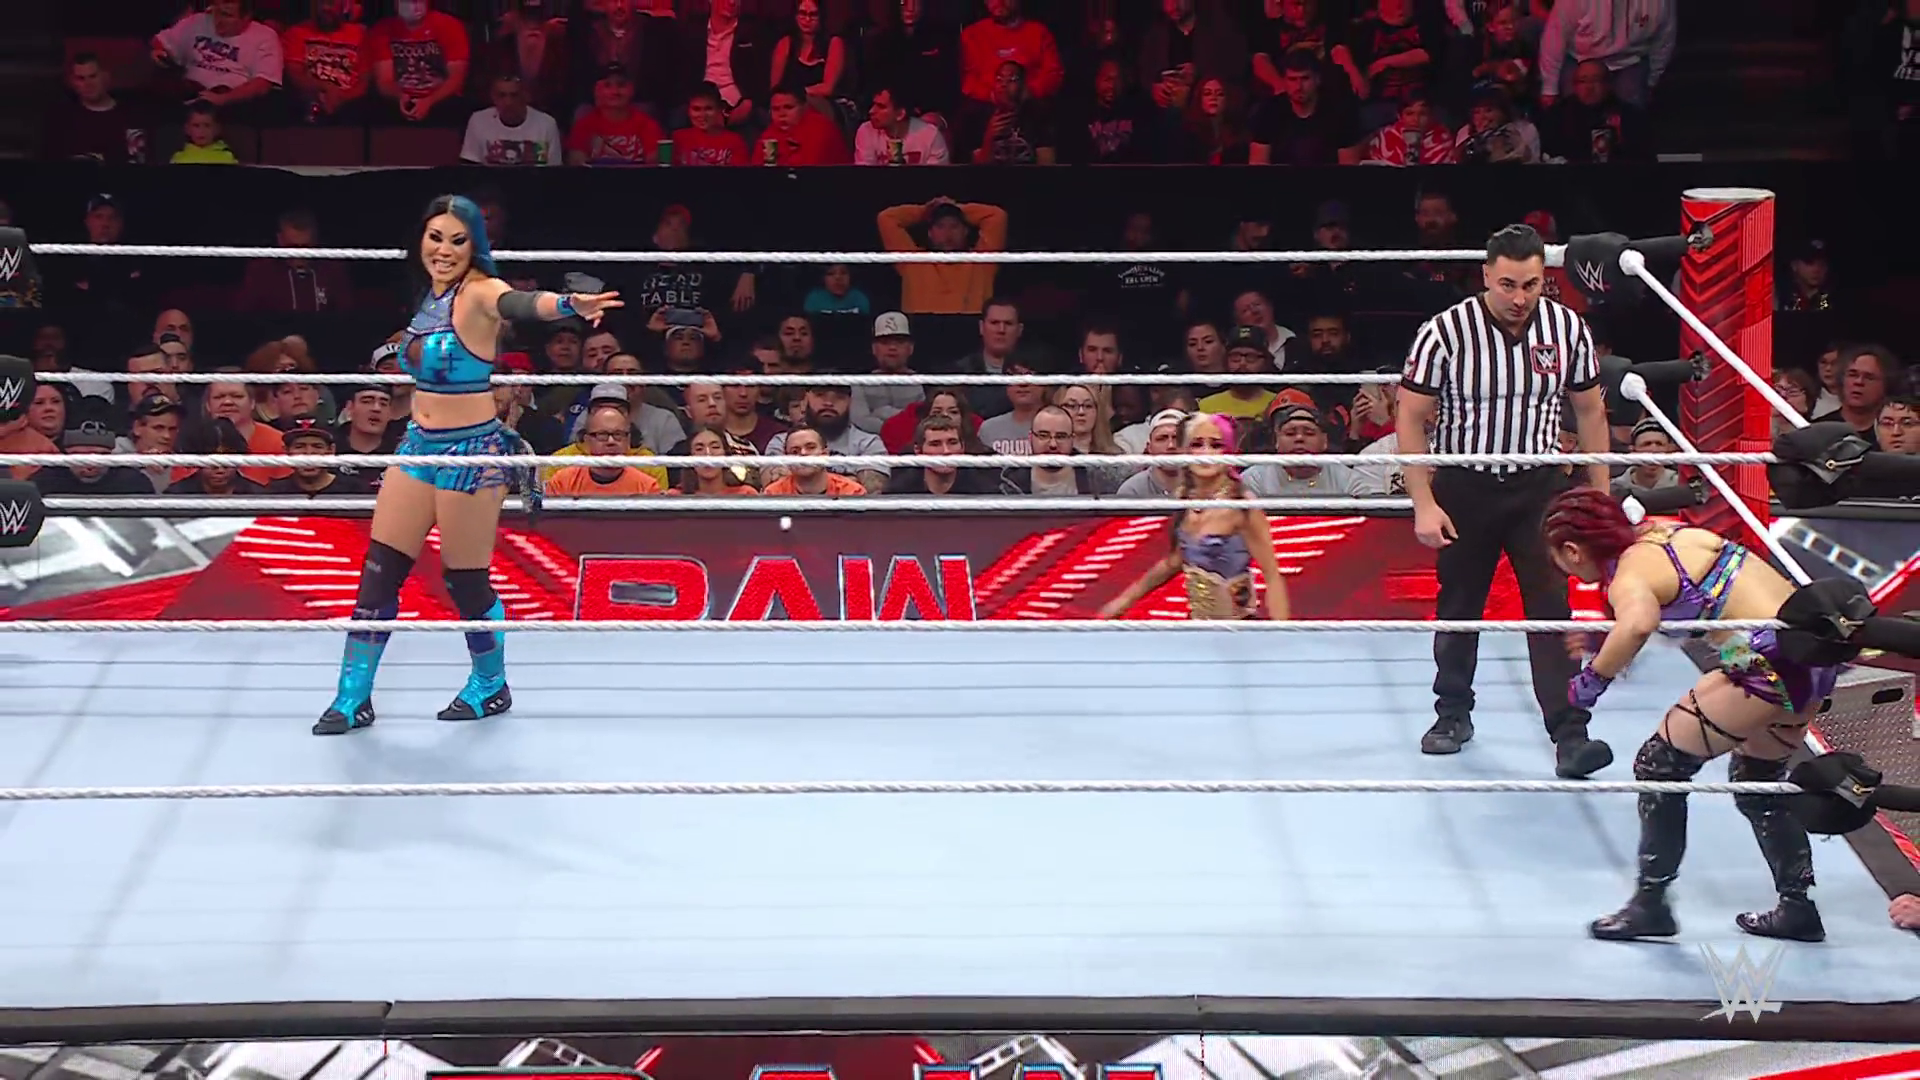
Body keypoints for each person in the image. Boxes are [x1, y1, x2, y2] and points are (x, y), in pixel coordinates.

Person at [316, 194, 620, 736]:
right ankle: (351, 697)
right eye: (435, 237)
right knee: (378, 576)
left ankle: (490, 683)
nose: (444, 250)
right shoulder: (429, 297)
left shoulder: (480, 290)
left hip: (471, 453)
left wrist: (569, 305)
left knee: (466, 582)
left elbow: (520, 304)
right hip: (417, 447)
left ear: (474, 244)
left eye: (457, 240)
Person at [1544, 488, 1833, 943]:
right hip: (1810, 657)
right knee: (1757, 783)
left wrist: (1589, 684)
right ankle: (1798, 907)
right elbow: (1675, 609)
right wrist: (1605, 640)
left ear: (1573, 550)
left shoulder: (1628, 575)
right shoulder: (1665, 534)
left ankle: (1651, 905)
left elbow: (1638, 624)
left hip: (1768, 662)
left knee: (1658, 765)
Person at [1398, 223, 1612, 778]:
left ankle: (1570, 734)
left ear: (1544, 279)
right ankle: (1452, 714)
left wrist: (1600, 496)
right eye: (1508, 285)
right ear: (1487, 277)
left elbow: (1590, 410)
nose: (1520, 298)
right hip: (1464, 485)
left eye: (1531, 285)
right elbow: (1410, 417)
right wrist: (1423, 501)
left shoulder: (1567, 328)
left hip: (1537, 487)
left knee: (1551, 608)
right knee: (1459, 604)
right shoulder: (1445, 332)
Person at [1100, 414, 1289, 621]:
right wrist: (1124, 600)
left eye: (1216, 445)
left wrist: (1280, 634)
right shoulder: (1185, 498)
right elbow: (1174, 561)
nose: (1206, 453)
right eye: (1197, 444)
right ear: (1184, 451)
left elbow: (1272, 576)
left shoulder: (1242, 505)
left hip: (1238, 628)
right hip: (1197, 624)